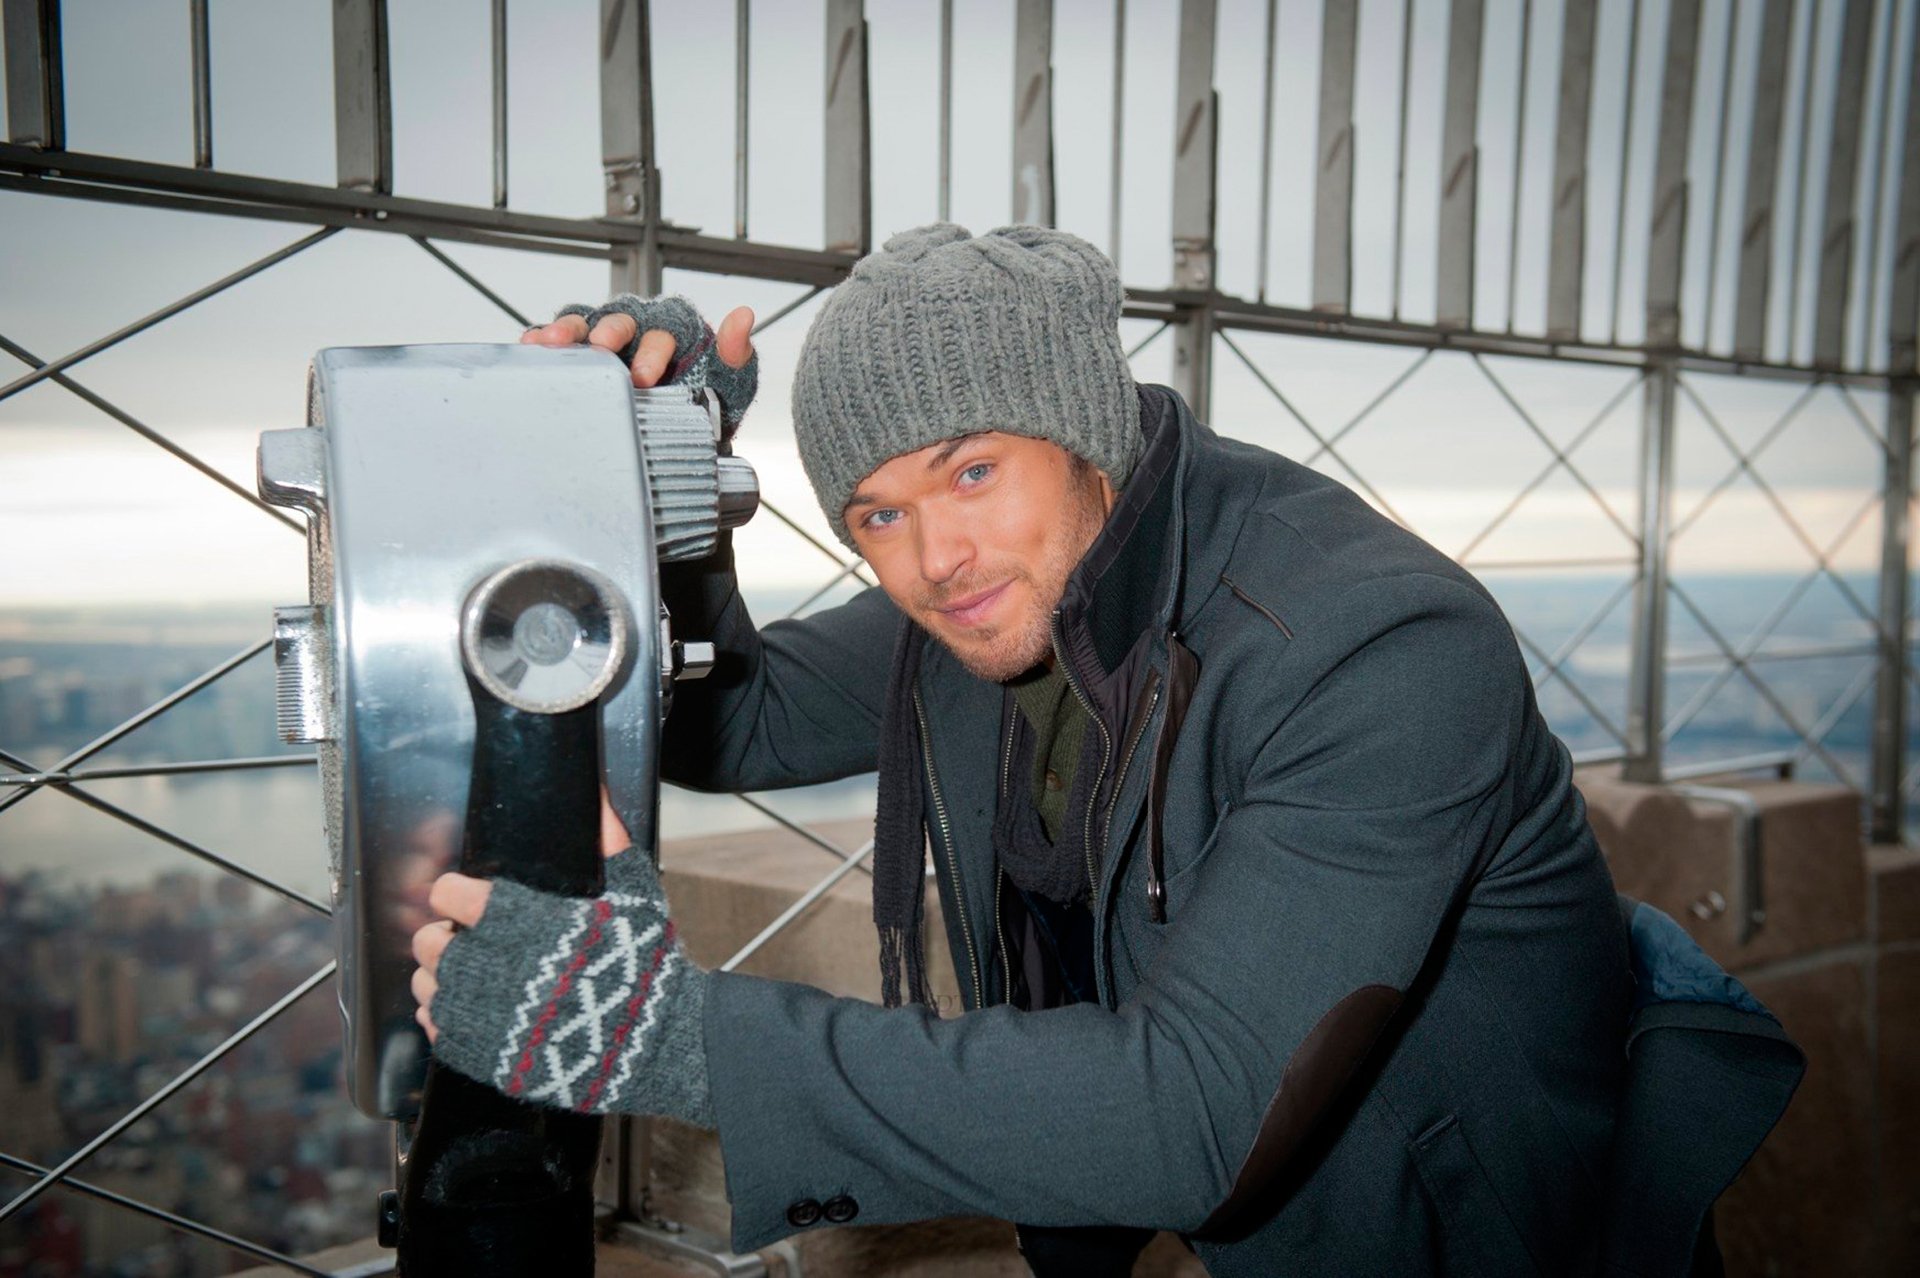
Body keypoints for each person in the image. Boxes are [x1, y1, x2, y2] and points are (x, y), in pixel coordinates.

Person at [404, 224, 1755, 1275]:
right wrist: (671, 494)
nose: (933, 559)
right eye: (876, 513)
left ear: (1082, 433)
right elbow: (727, 719)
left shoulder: (1377, 643)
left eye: (971, 469)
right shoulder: (1008, 600)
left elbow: (1197, 1113)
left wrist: (676, 1035)